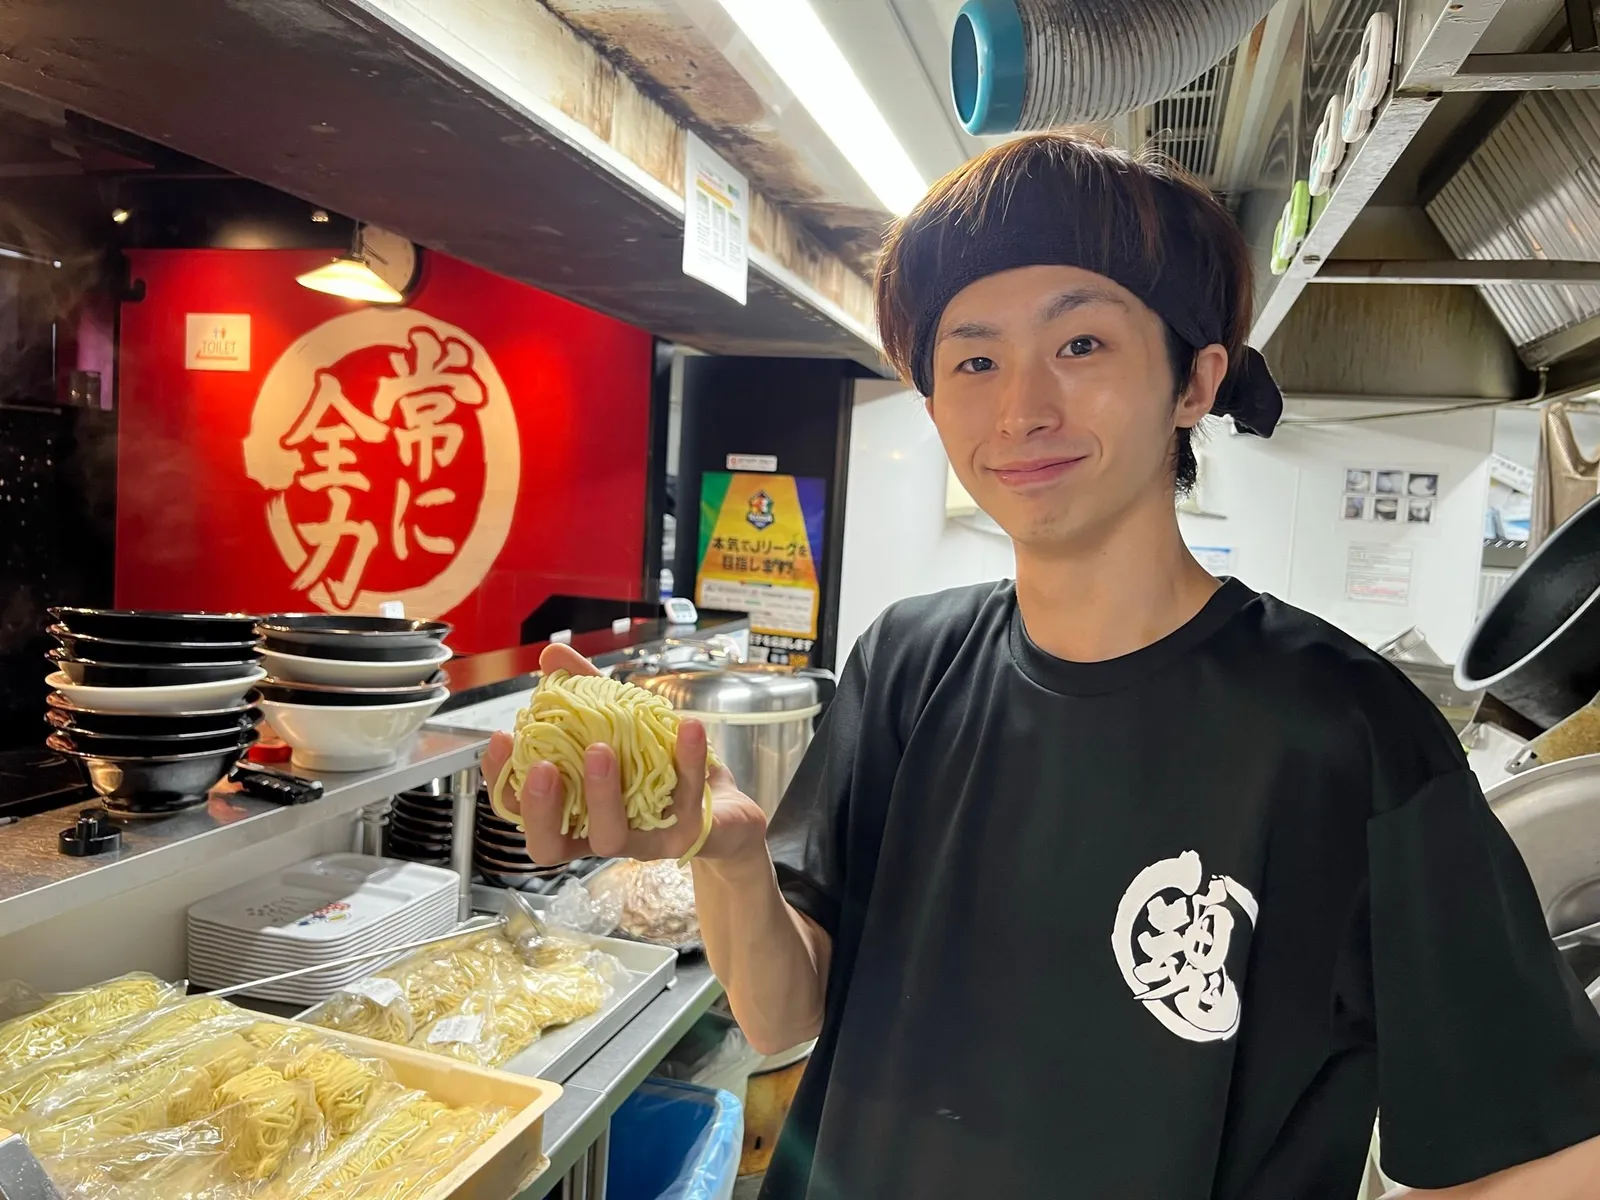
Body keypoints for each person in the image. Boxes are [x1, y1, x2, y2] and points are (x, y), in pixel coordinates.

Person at [483, 132, 1600, 1198]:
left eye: (1080, 344)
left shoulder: (1341, 729)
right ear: (934, 401)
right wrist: (727, 859)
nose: (1021, 408)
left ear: (1193, 381)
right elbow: (784, 1021)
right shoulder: (907, 665)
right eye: (973, 358)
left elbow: (1561, 1155)